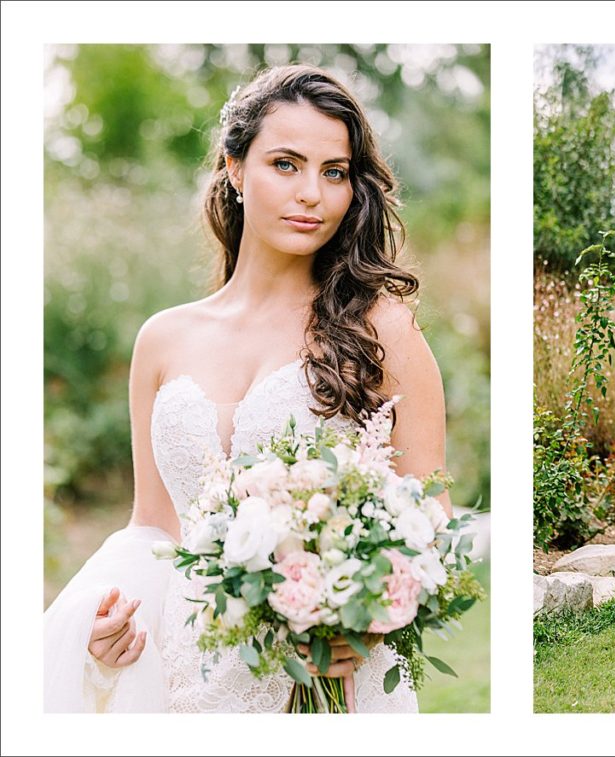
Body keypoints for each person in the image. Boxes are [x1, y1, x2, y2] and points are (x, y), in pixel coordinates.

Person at [43, 64, 448, 713]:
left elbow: (433, 515)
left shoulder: (382, 329)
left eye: (334, 171)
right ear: (234, 167)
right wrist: (107, 619)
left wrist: (371, 616)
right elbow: (153, 526)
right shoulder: (162, 338)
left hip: (332, 677)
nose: (312, 193)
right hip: (187, 670)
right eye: (286, 164)